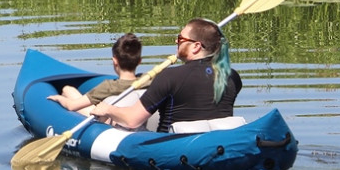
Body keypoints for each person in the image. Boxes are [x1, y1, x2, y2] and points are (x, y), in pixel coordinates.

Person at [89, 18, 241, 133]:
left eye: (181, 39)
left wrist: (108, 109)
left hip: (172, 146)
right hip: (218, 143)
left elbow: (132, 121)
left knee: (115, 113)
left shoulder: (170, 76)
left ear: (196, 46)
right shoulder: (232, 77)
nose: (176, 41)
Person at [48, 33, 150, 113]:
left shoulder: (109, 87)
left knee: (67, 90)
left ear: (114, 61)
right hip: (129, 114)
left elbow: (72, 106)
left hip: (105, 122)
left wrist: (58, 98)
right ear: (139, 61)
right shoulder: (147, 80)